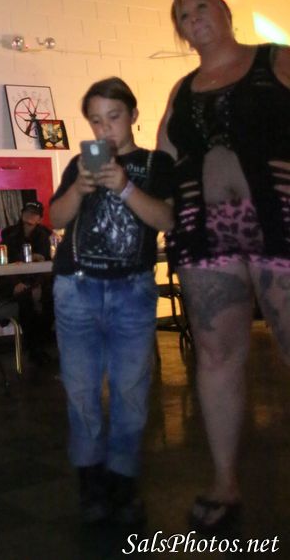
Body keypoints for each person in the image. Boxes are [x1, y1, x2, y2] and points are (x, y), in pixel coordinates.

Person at [157, 0, 290, 533]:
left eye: (201, 7)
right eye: (183, 16)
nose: (193, 18)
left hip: (281, 224)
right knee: (215, 355)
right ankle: (224, 481)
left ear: (226, 11)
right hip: (204, 234)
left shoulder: (276, 60)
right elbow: (164, 157)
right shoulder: (181, 89)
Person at [50, 77, 173, 525]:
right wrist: (78, 189)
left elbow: (167, 219)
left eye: (114, 117)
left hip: (132, 290)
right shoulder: (78, 164)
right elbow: (55, 217)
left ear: (133, 115)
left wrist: (124, 186)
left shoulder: (156, 164)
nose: (105, 130)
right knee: (80, 391)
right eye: (96, 121)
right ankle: (90, 484)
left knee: (131, 391)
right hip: (76, 287)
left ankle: (122, 483)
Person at [0, 201, 54, 364]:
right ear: (22, 214)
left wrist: (37, 285)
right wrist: (16, 283)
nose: (30, 216)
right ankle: (34, 349)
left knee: (51, 299)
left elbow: (46, 264)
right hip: (15, 282)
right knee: (25, 300)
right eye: (27, 212)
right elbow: (5, 263)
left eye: (34, 213)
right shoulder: (9, 234)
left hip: (38, 282)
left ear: (40, 218)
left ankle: (39, 346)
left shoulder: (45, 235)